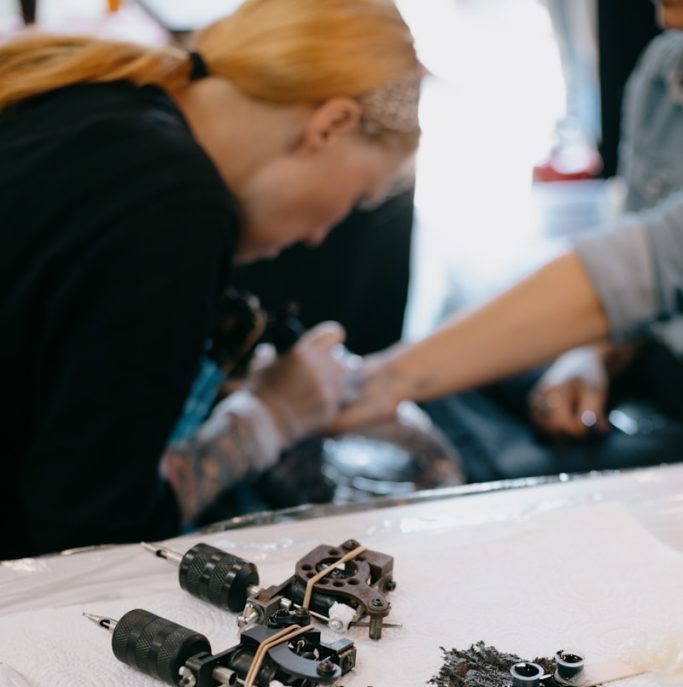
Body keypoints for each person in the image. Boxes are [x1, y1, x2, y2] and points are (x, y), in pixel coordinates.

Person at [0, 0, 420, 560]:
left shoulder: (96, 94)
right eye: (357, 198)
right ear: (330, 125)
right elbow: (89, 535)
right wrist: (270, 418)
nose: (322, 235)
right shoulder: (176, 208)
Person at [334, 0, 683, 467]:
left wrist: (372, 384)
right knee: (453, 376)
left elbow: (651, 263)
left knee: (514, 464)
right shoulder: (665, 70)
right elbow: (647, 277)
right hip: (659, 358)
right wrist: (595, 355)